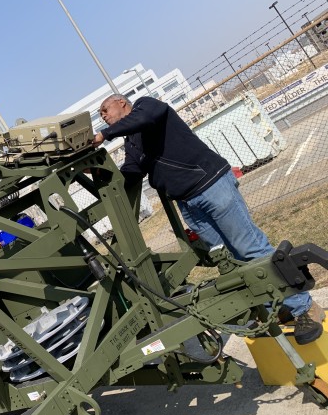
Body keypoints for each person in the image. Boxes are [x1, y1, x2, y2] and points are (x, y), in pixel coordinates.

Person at [92, 93, 324, 345]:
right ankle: (276, 306)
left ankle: (305, 308)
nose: (103, 116)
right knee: (229, 260)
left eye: (106, 110)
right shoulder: (132, 142)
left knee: (250, 248)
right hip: (188, 203)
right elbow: (131, 173)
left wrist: (105, 135)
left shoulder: (147, 106)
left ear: (122, 103)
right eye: (101, 114)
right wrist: (94, 170)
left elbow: (144, 118)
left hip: (212, 186)